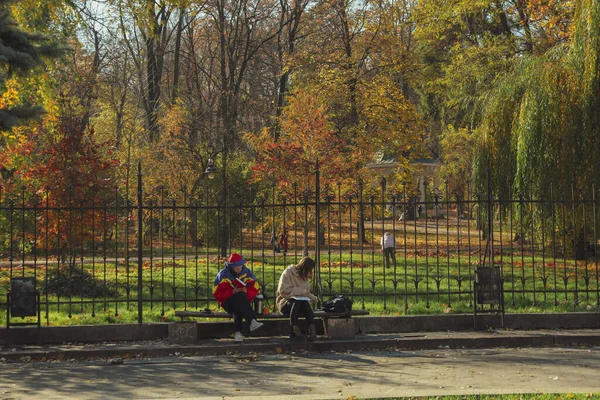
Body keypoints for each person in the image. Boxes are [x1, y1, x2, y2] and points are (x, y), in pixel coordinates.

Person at [213, 253, 264, 342]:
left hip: (243, 300)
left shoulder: (247, 272)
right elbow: (217, 293)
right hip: (228, 302)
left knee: (239, 301)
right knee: (238, 300)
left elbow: (255, 288)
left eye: (240, 267)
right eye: (237, 268)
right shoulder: (223, 275)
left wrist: (246, 291)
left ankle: (238, 333)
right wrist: (232, 292)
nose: (239, 270)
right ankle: (252, 321)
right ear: (231, 267)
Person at [276, 256, 318, 341]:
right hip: (286, 303)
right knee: (296, 301)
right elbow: (283, 290)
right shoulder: (288, 272)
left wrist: (312, 297)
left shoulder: (304, 276)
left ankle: (312, 328)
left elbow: (305, 292)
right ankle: (294, 329)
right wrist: (300, 292)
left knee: (303, 302)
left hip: (301, 304)